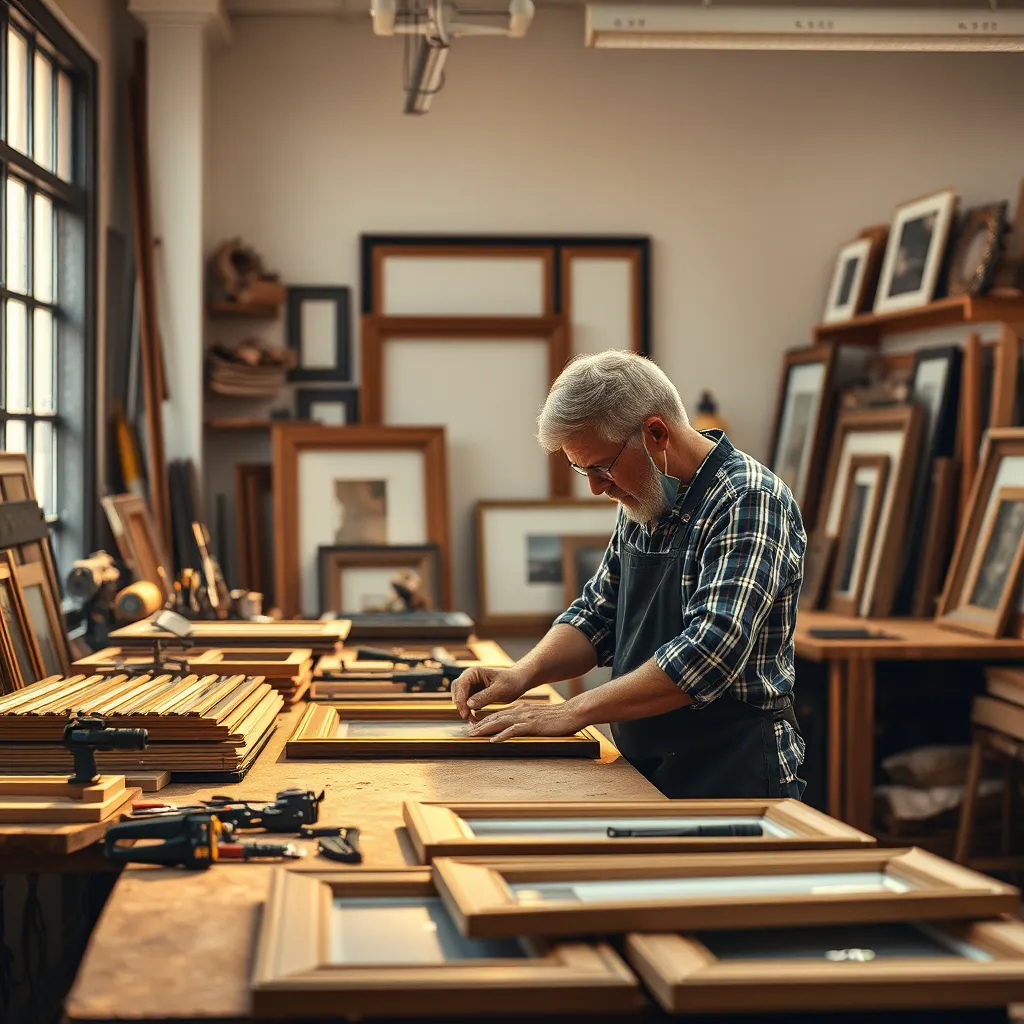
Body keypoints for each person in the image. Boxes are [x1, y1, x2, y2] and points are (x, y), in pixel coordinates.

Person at [452, 350, 807, 799]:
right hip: (648, 771)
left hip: (734, 776)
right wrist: (520, 675)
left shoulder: (748, 500)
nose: (596, 487)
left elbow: (708, 653)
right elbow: (596, 617)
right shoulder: (647, 498)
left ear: (655, 433)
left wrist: (574, 711)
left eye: (601, 466)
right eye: (582, 468)